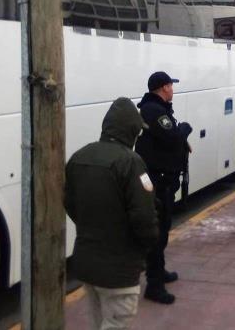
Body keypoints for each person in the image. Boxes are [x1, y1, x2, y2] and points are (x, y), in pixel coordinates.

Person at [65, 97, 159, 330]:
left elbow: (69, 203)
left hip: (87, 264)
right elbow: (144, 218)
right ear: (131, 130)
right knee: (117, 322)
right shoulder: (131, 163)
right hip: (119, 269)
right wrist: (146, 246)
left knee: (98, 321)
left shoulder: (79, 157)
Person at [136, 71, 193, 304]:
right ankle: (154, 284)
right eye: (171, 85)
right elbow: (171, 137)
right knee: (157, 233)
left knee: (163, 229)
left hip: (163, 179)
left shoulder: (157, 109)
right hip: (158, 182)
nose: (173, 90)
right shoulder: (154, 111)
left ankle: (159, 271)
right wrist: (185, 129)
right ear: (163, 88)